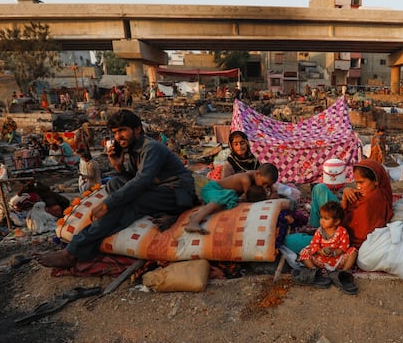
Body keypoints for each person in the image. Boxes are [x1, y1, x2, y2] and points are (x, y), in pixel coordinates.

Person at [37, 109, 198, 268]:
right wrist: (117, 165)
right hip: (158, 190)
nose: (118, 136)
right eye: (115, 132)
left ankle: (72, 252)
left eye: (122, 131)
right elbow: (133, 178)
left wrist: (108, 204)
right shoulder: (134, 148)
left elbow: (141, 181)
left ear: (137, 129)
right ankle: (159, 214)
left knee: (125, 203)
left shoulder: (151, 148)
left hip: (177, 193)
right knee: (115, 183)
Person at [310, 159, 394, 248]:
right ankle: (316, 229)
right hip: (331, 222)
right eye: (356, 182)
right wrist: (345, 195)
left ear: (376, 181)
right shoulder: (366, 192)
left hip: (338, 237)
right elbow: (343, 210)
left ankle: (316, 232)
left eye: (361, 182)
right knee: (319, 188)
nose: (358, 186)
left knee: (294, 240)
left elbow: (355, 234)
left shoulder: (374, 200)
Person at [184, 163, 279, 234]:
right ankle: (193, 223)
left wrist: (273, 190)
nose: (265, 187)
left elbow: (266, 184)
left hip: (222, 193)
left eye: (268, 185)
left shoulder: (256, 175)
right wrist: (268, 198)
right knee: (225, 197)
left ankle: (199, 213)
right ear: (257, 174)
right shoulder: (246, 180)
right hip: (212, 189)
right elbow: (250, 199)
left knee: (230, 201)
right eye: (264, 184)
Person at [298, 201, 357, 272]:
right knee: (305, 251)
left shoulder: (342, 231)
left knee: (353, 251)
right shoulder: (319, 231)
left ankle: (344, 272)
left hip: (338, 260)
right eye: (321, 217)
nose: (322, 221)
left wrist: (334, 253)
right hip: (321, 260)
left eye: (326, 219)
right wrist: (320, 251)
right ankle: (313, 270)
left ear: (336, 222)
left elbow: (344, 247)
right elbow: (314, 244)